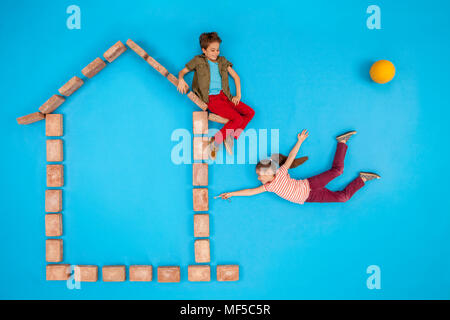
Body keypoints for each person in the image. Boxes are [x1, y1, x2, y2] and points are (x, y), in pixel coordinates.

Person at [217, 130, 380, 204]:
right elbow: (250, 192)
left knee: (337, 171)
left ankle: (342, 142)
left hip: (310, 184)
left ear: (270, 172)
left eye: (260, 175)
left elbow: (291, 157)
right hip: (309, 197)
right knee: (343, 198)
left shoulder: (281, 172)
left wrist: (300, 141)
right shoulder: (268, 187)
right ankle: (362, 179)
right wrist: (231, 193)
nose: (259, 178)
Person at [177, 32, 255, 159]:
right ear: (204, 50)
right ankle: (216, 140)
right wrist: (181, 79)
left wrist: (238, 95)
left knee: (250, 112)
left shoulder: (223, 61)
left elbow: (236, 77)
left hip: (226, 97)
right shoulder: (198, 60)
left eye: (217, 50)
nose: (216, 53)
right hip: (212, 100)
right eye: (212, 50)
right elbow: (182, 72)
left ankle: (231, 135)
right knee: (238, 119)